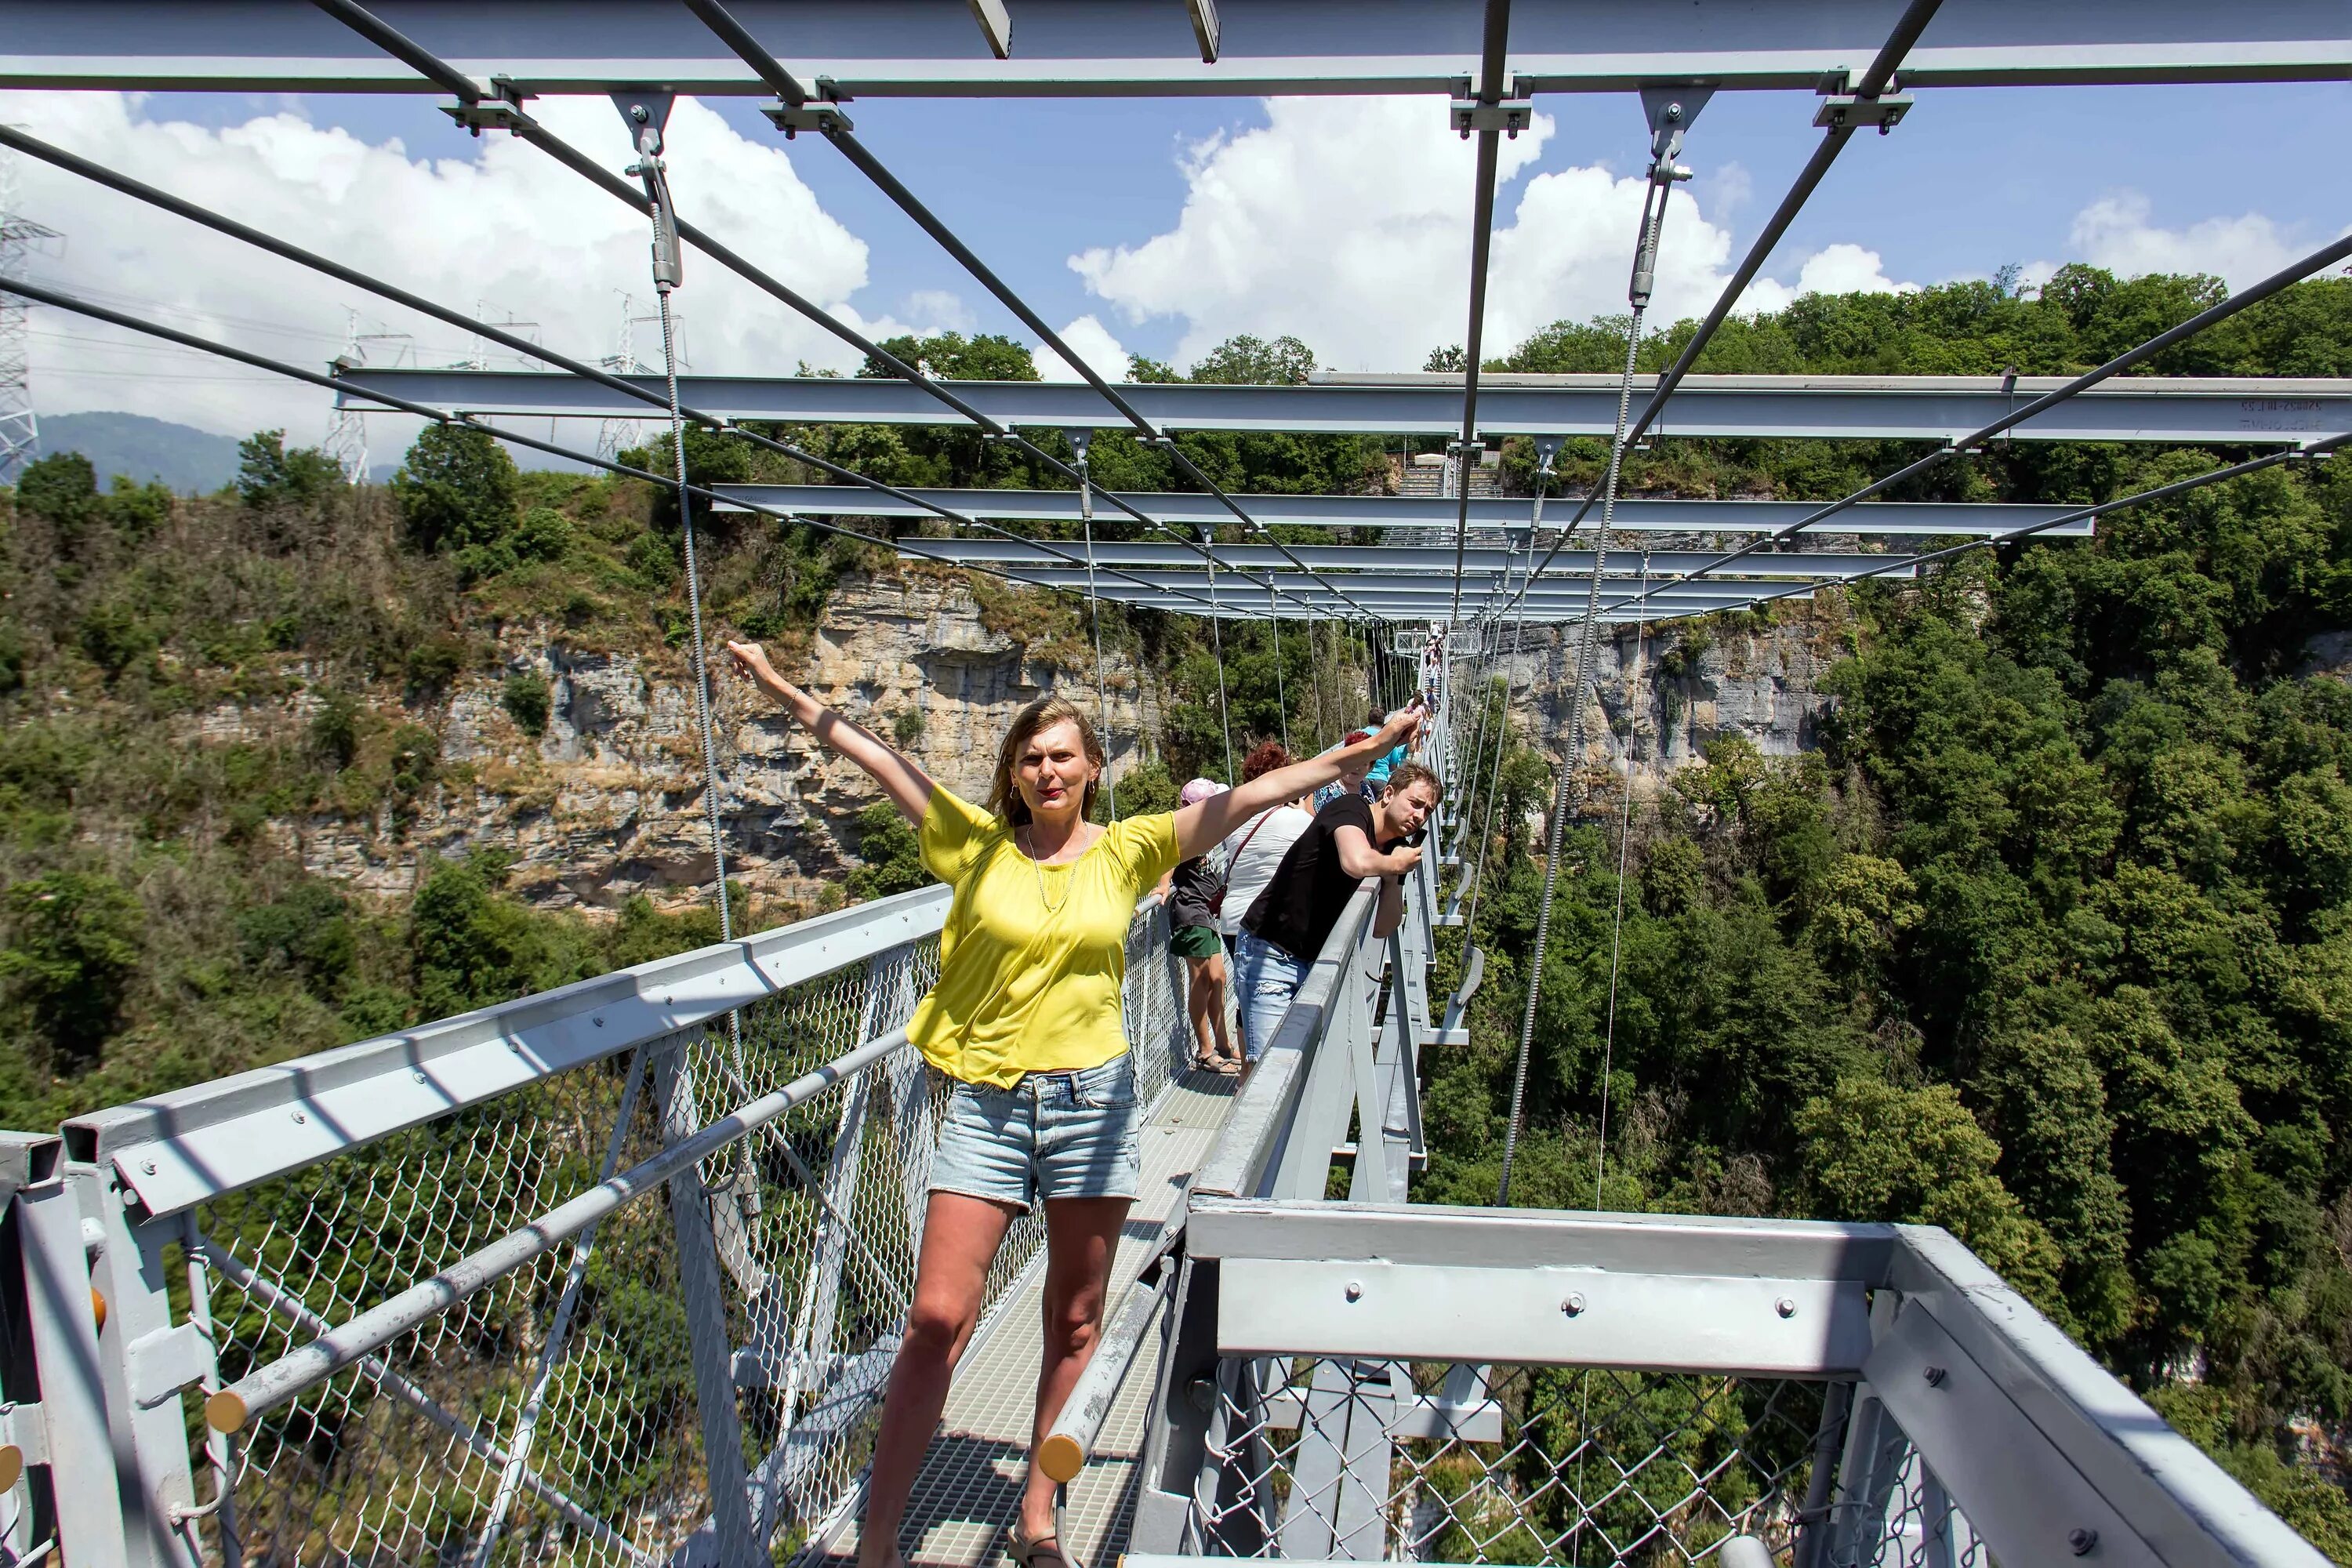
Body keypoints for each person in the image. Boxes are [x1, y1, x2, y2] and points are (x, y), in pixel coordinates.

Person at [724, 638, 1422, 1568]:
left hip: (1093, 1102)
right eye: (1031, 756)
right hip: (986, 1102)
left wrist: (1363, 754)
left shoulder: (1133, 849)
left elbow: (1254, 796)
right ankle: (880, 1540)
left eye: (1063, 755)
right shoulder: (972, 846)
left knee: (1078, 1317)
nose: (1047, 769)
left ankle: (1037, 1517)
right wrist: (779, 687)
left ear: (1093, 769)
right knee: (937, 1315)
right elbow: (875, 754)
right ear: (1015, 772)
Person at [1234, 761, 1443, 1059]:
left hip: (1314, 964)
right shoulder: (1350, 809)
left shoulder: (1394, 848)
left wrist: (1392, 878)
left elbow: (1385, 925)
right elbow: (1355, 861)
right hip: (1270, 953)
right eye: (1415, 803)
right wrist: (1393, 864)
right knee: (1268, 1068)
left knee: (1297, 1070)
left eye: (1428, 811)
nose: (1420, 816)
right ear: (1388, 794)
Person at [1158, 778, 1240, 1075]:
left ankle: (1223, 1044)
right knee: (1202, 980)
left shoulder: (1207, 830)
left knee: (1218, 977)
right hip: (1190, 911)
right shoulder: (1188, 830)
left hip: (1204, 912)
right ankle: (1205, 1052)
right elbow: (1171, 855)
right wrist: (1164, 884)